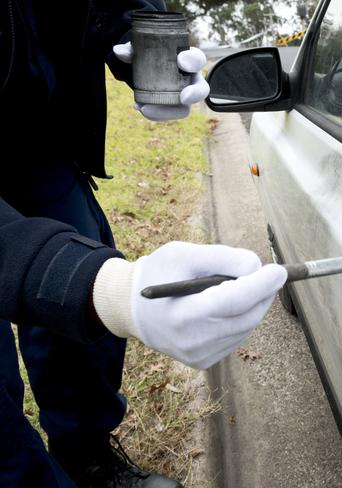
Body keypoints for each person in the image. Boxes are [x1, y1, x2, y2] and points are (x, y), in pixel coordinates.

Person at [0, 1, 286, 486]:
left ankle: (85, 458)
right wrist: (105, 291)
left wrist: (136, 39)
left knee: (84, 309)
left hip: (42, 147)